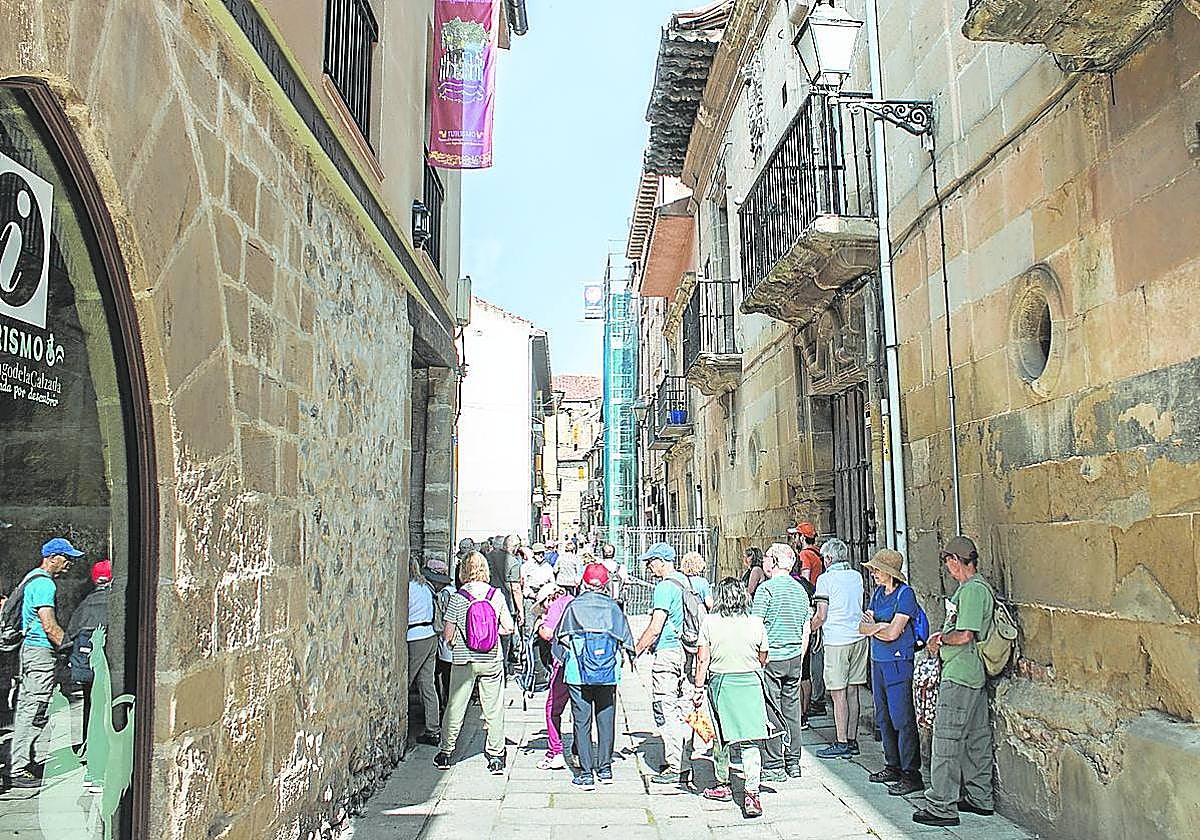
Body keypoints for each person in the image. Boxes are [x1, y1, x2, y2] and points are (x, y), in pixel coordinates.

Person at [913, 536, 996, 827]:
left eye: (948, 561)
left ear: (956, 561)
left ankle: (941, 805)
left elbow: (965, 634)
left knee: (946, 740)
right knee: (976, 739)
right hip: (971, 674)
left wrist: (938, 640)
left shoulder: (972, 591)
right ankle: (980, 797)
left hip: (960, 673)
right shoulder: (974, 589)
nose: (947, 567)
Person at [9, 537, 83, 788]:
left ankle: (22, 762)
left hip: (31, 651)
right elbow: (49, 626)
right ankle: (19, 768)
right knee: (35, 708)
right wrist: (72, 650)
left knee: (27, 707)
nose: (69, 564)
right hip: (40, 652)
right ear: (52, 557)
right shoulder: (44, 585)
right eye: (67, 558)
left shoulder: (31, 578)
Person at [695, 577, 771, 818]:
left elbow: (702, 659)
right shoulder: (756, 622)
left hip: (721, 683)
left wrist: (698, 688)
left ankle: (723, 784)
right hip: (749, 682)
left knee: (721, 738)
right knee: (750, 741)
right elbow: (764, 656)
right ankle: (752, 793)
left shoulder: (709, 622)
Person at [435, 551, 515, 774]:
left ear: (463, 571)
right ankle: (496, 755)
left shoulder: (459, 598)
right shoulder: (495, 595)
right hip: (491, 658)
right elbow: (509, 627)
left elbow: (448, 634)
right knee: (494, 707)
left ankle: (446, 752)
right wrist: (490, 634)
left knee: (455, 705)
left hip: (464, 659)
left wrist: (458, 640)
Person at [556, 563, 635, 789]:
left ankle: (586, 773)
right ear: (605, 584)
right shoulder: (613, 608)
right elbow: (626, 640)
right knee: (606, 719)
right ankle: (605, 768)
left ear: (584, 581)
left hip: (578, 672)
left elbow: (561, 637)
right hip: (607, 671)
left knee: (581, 722)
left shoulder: (573, 607)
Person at [859, 548, 923, 796]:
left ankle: (911, 773)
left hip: (898, 661)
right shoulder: (877, 594)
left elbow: (894, 633)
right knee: (883, 716)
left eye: (877, 569)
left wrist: (876, 627)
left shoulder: (905, 595)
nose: (874, 573)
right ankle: (892, 765)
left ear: (890, 573)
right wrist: (879, 627)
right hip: (878, 660)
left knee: (902, 718)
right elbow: (862, 627)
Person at [750, 543, 811, 781]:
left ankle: (774, 764)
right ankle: (793, 761)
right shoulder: (800, 590)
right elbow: (806, 627)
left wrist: (757, 658)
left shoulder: (766, 590)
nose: (763, 562)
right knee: (792, 709)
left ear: (774, 562)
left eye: (766, 557)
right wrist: (801, 654)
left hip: (772, 657)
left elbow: (756, 626)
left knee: (770, 709)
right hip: (795, 656)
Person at [633, 542, 692, 785]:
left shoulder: (664, 587)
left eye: (651, 561)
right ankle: (685, 757)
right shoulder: (687, 582)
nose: (648, 566)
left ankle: (676, 765)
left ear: (663, 561)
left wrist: (635, 650)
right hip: (686, 650)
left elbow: (656, 627)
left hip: (668, 652)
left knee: (664, 707)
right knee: (683, 707)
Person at [812, 538, 868, 759]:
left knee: (838, 693)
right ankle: (852, 739)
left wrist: (809, 627)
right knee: (853, 691)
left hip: (837, 640)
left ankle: (841, 740)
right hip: (858, 636)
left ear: (828, 558)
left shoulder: (825, 580)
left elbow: (821, 615)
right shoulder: (856, 576)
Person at [65, 559, 113, 745]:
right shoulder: (116, 601)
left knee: (90, 705)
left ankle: (89, 743)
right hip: (108, 667)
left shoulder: (85, 604)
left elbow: (70, 636)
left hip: (87, 668)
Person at [534, 583, 575, 770]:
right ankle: (579, 752)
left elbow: (548, 633)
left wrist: (540, 624)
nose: (544, 610)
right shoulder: (574, 600)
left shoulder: (557, 605)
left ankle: (555, 751)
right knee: (580, 711)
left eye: (543, 606)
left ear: (549, 598)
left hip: (564, 662)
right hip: (584, 663)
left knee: (553, 708)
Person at [407, 558, 442, 747]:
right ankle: (433, 729)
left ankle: (400, 727)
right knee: (427, 685)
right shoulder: (425, 587)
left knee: (406, 682)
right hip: (430, 635)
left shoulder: (408, 588)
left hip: (415, 636)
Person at [521, 543, 556, 621]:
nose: (540, 555)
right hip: (530, 597)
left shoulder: (548, 566)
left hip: (543, 598)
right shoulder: (527, 566)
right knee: (529, 624)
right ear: (533, 553)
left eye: (542, 553)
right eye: (538, 553)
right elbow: (523, 583)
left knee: (542, 622)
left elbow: (552, 583)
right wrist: (531, 594)